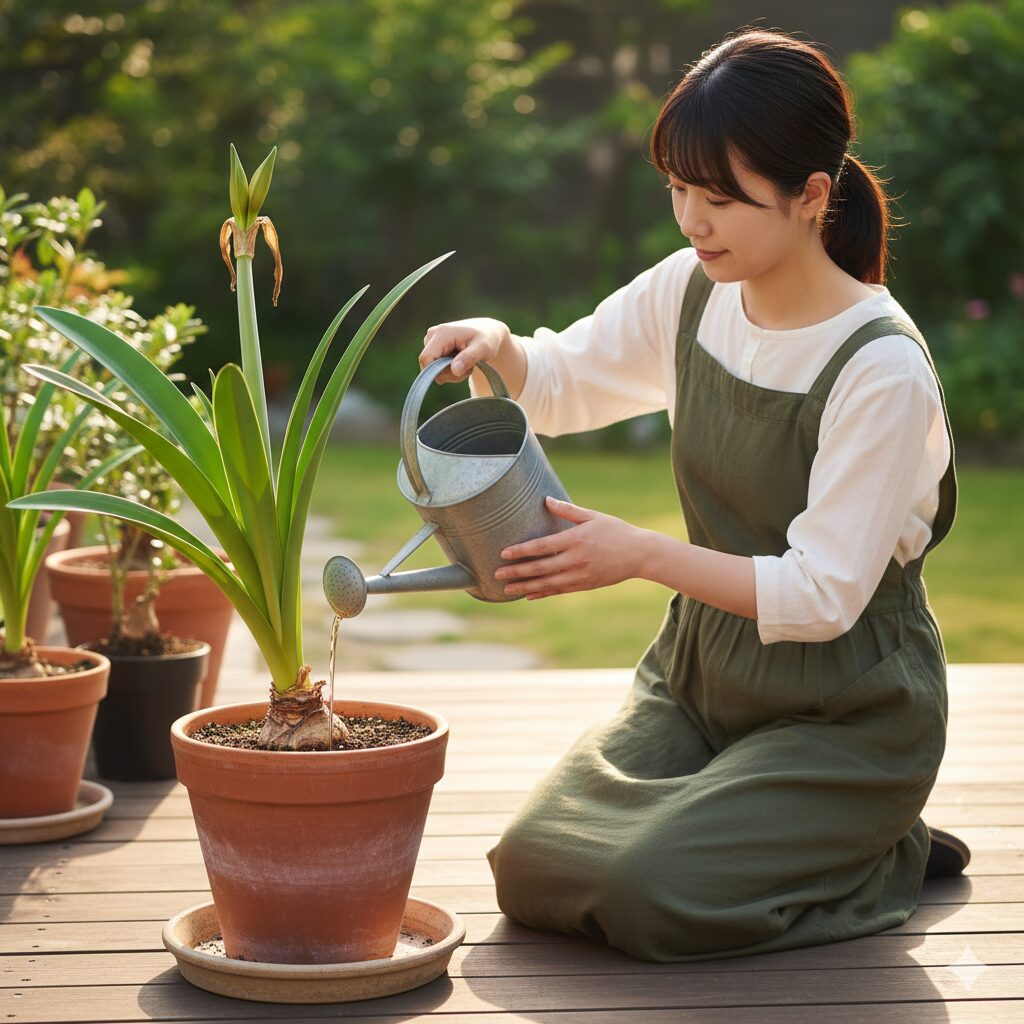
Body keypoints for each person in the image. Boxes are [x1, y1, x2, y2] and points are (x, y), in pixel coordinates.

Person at [418, 27, 970, 963]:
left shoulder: (881, 366)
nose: (691, 221)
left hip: (847, 708)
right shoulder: (695, 290)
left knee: (647, 892)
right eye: (677, 188)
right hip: (700, 675)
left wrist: (637, 555)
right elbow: (564, 379)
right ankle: (766, 831)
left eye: (720, 198)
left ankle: (881, 847)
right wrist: (502, 345)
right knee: (532, 866)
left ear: (810, 197)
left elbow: (823, 595)